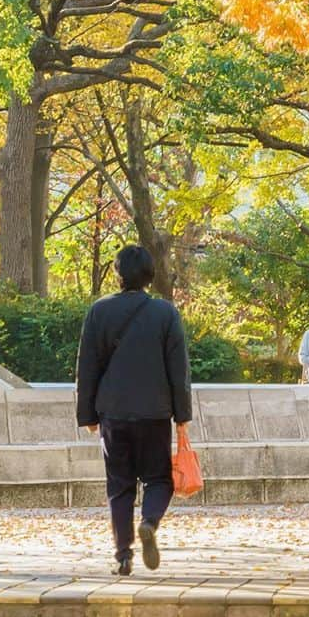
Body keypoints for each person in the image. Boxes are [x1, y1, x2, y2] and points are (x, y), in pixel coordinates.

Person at [76, 244, 192, 576]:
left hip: (113, 413)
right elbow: (178, 370)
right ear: (149, 275)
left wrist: (87, 416)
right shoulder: (165, 313)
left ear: (119, 274)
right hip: (155, 412)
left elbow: (87, 367)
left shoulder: (99, 311)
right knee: (159, 479)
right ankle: (150, 523)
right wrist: (182, 417)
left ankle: (123, 555)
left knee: (120, 484)